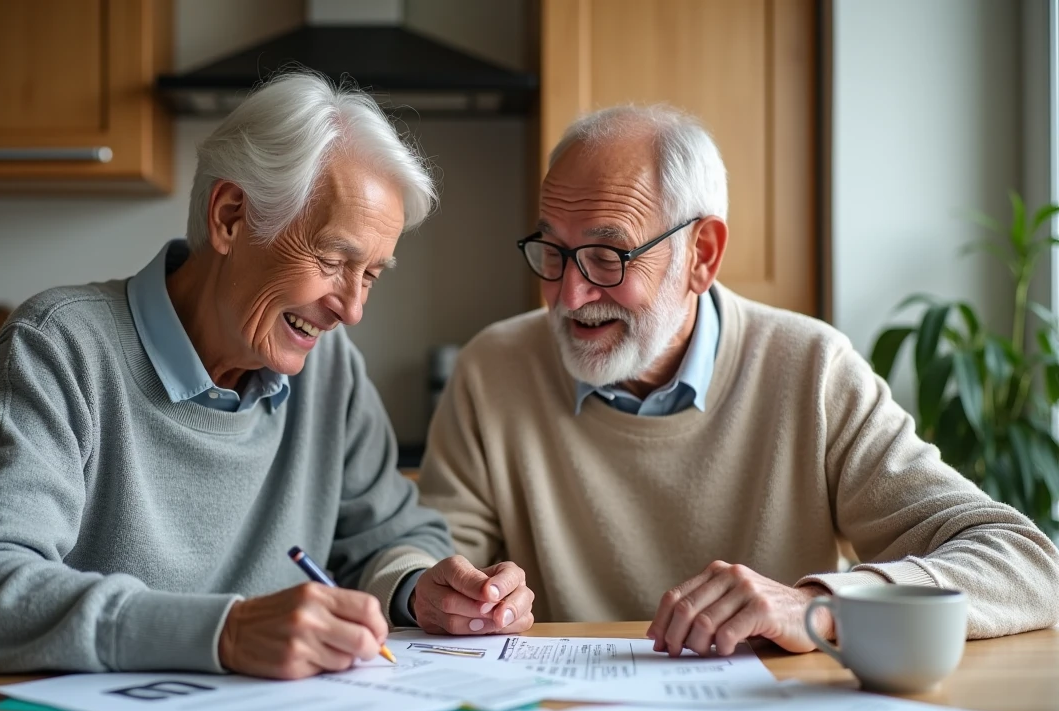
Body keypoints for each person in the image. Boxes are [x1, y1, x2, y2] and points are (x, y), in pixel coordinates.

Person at [0, 73, 535, 679]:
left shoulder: (330, 367)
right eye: (331, 260)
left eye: (370, 273)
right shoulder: (61, 346)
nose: (351, 309)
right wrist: (225, 632)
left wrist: (419, 585)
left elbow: (388, 535)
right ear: (232, 216)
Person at [417, 103, 1059, 657]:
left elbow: (1026, 562)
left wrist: (818, 606)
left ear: (702, 256)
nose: (570, 293)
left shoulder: (811, 369)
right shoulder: (491, 369)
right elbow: (427, 559)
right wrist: (452, 596)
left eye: (609, 255)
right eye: (552, 251)